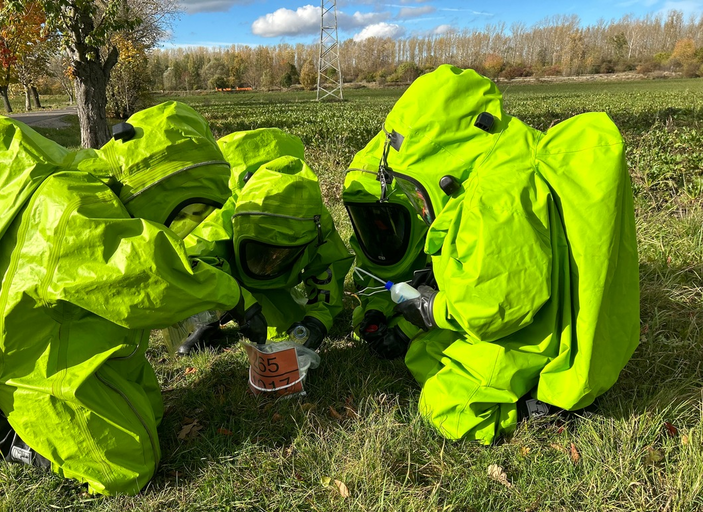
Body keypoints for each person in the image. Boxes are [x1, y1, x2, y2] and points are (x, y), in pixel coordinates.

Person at [0, 102, 265, 494]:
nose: (182, 227)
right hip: (29, 359)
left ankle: (11, 410)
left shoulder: (90, 189)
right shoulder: (70, 205)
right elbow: (145, 274)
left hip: (55, 336)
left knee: (151, 413)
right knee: (126, 466)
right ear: (157, 182)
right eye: (188, 210)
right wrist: (234, 297)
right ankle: (1, 431)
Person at [355, 64, 640, 443]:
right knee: (425, 352)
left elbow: (498, 307)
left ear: (439, 157)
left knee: (445, 408)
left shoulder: (493, 199)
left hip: (531, 337)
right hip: (537, 317)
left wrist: (431, 308)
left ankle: (541, 408)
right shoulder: (501, 155)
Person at [180, 128, 354, 353]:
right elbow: (197, 262)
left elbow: (327, 266)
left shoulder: (314, 219)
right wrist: (242, 305)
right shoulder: (224, 211)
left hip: (266, 274)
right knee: (200, 277)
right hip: (232, 265)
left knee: (287, 325)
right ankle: (206, 321)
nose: (272, 259)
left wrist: (318, 320)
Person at [343, 137, 432, 359]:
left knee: (427, 349)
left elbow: (452, 297)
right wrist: (375, 312)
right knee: (360, 321)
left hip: (439, 308)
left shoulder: (434, 237)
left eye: (385, 220)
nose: (378, 228)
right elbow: (378, 281)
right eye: (368, 220)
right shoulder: (370, 240)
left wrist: (404, 332)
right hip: (411, 300)